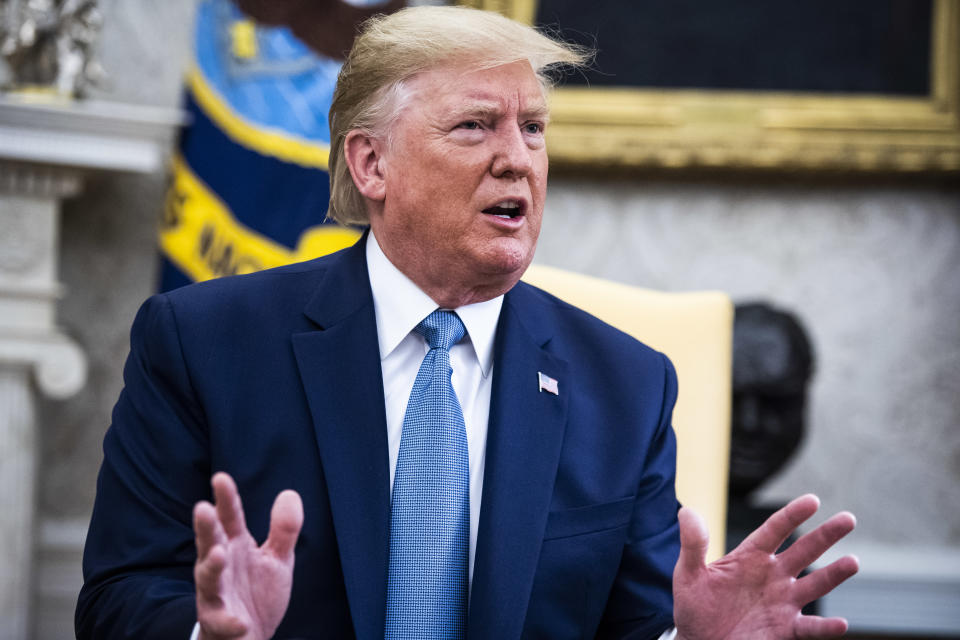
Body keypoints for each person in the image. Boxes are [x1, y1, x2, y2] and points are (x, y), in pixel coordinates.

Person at [76, 6, 858, 640]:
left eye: (534, 129)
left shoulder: (627, 384)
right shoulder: (202, 344)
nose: (518, 158)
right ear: (370, 165)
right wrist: (210, 636)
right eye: (475, 127)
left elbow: (637, 625)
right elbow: (118, 597)